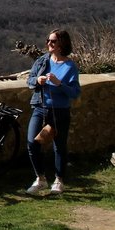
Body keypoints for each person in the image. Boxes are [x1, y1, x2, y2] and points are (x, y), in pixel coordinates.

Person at [25, 29, 81, 196]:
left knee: (59, 147)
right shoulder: (42, 61)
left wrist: (59, 84)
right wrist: (37, 80)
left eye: (53, 41)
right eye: (48, 40)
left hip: (60, 111)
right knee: (32, 142)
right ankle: (40, 179)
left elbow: (75, 93)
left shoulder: (70, 66)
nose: (49, 44)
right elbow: (29, 80)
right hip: (40, 107)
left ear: (62, 44)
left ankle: (59, 180)